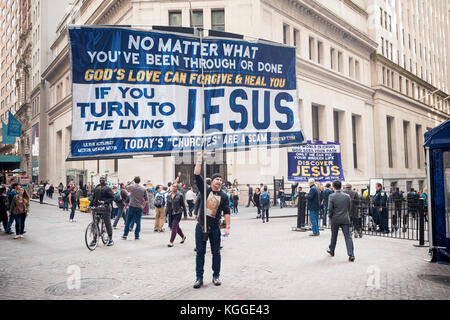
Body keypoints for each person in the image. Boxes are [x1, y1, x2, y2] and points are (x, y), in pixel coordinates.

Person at [193, 151, 231, 289]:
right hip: (201, 227)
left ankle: (216, 275)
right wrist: (199, 159)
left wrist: (227, 227)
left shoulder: (224, 196)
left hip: (215, 229)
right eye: (217, 179)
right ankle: (199, 278)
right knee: (200, 253)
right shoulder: (205, 190)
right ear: (212, 181)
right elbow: (197, 174)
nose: (219, 181)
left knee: (216, 252)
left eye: (221, 180)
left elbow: (227, 212)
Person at [326, 180, 355, 262]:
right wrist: (346, 214)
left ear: (333, 187)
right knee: (348, 236)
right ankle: (351, 254)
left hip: (335, 218)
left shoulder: (331, 196)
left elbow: (330, 209)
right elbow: (349, 207)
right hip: (345, 218)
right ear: (341, 186)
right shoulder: (347, 196)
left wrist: (330, 216)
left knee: (334, 236)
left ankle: (332, 250)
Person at [90, 176, 115, 246]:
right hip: (97, 208)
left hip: (105, 208)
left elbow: (112, 197)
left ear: (105, 181)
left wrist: (105, 202)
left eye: (103, 179)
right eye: (100, 179)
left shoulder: (108, 188)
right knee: (95, 224)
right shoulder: (97, 188)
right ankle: (94, 239)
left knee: (107, 223)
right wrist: (90, 205)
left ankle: (110, 239)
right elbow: (93, 197)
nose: (101, 180)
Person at [122, 176, 148, 240]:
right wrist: (143, 206)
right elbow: (146, 199)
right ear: (140, 181)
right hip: (139, 206)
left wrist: (131, 181)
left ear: (134, 181)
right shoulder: (143, 188)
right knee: (138, 221)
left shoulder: (132, 187)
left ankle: (125, 234)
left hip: (132, 206)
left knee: (128, 221)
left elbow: (125, 186)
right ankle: (137, 236)